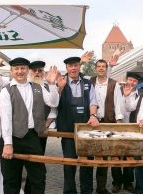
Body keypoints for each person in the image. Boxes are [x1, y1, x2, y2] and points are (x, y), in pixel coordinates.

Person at [0, 57, 59, 194]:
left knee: (38, 177)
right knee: (11, 180)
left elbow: (53, 103)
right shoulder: (6, 91)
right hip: (12, 138)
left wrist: (52, 84)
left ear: (27, 70)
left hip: (32, 138)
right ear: (12, 71)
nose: (20, 71)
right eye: (16, 69)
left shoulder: (37, 87)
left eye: (23, 68)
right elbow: (6, 119)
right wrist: (8, 144)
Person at [56, 56, 99, 194]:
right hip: (67, 129)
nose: (73, 68)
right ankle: (69, 192)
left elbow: (93, 102)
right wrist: (59, 88)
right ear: (67, 68)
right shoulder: (60, 82)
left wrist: (93, 115)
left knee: (87, 164)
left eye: (75, 65)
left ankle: (86, 191)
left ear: (79, 66)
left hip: (86, 129)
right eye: (70, 66)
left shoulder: (87, 83)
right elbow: (53, 101)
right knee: (69, 164)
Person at [89, 59, 124, 194]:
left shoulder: (113, 84)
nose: (101, 68)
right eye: (99, 66)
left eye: (104, 66)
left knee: (115, 154)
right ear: (95, 68)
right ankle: (100, 187)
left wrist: (119, 122)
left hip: (109, 122)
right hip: (94, 123)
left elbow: (118, 102)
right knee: (100, 156)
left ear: (106, 68)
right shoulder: (90, 82)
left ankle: (117, 183)